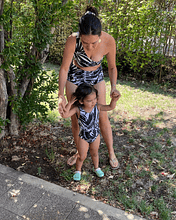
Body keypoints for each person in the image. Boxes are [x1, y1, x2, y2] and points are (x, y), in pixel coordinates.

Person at [58, 6, 121, 169]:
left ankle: (111, 152)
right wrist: (60, 94)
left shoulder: (109, 41)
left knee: (102, 116)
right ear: (80, 36)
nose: (89, 47)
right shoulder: (73, 39)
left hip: (96, 76)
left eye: (93, 42)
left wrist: (114, 86)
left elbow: (112, 67)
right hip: (76, 75)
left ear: (100, 36)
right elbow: (64, 68)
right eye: (85, 43)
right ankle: (80, 152)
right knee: (77, 116)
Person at [61, 83, 120, 181]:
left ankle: (97, 168)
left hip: (95, 135)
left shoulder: (97, 107)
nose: (93, 102)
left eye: (95, 99)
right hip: (83, 137)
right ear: (81, 101)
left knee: (95, 153)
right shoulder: (77, 109)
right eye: (89, 100)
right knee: (82, 156)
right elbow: (64, 115)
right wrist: (70, 103)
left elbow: (110, 107)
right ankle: (78, 170)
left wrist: (114, 100)